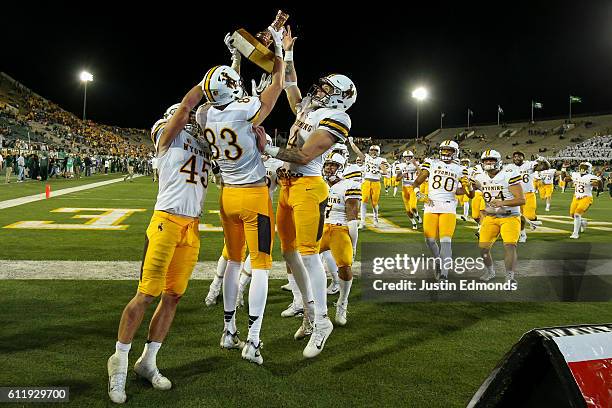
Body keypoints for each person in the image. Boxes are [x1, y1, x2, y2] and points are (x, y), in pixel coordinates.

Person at [106, 84, 210, 404]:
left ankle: (147, 361)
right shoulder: (166, 138)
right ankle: (119, 361)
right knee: (146, 294)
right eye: (186, 116)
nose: (190, 120)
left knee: (173, 296)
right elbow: (182, 112)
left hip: (192, 226)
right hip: (166, 221)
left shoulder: (204, 145)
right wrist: (204, 87)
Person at [263, 25, 357, 358]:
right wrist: (287, 51)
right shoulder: (309, 108)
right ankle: (306, 308)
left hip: (307, 187)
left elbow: (304, 155)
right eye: (320, 85)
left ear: (341, 97)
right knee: (289, 254)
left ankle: (322, 321)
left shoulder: (337, 117)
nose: (318, 90)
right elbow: (290, 85)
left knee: (308, 254)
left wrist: (268, 149)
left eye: (325, 88)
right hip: (288, 188)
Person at [196, 24, 285, 365]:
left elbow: (224, 93)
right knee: (260, 267)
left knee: (233, 262)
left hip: (226, 198)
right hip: (253, 196)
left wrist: (236, 57)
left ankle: (228, 330)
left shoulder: (204, 112)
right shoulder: (244, 109)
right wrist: (278, 51)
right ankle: (253, 339)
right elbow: (276, 86)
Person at [412, 140, 473, 280]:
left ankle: (444, 274)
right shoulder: (431, 163)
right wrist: (418, 194)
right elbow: (416, 183)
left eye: (449, 150)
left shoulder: (461, 169)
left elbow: (463, 192)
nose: (446, 152)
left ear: (455, 152)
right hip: (431, 205)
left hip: (448, 206)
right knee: (430, 241)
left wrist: (467, 187)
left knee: (446, 241)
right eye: (444, 149)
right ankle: (438, 260)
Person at [319, 153, 360, 325]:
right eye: (327, 164)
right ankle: (303, 303)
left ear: (341, 168)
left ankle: (343, 302)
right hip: (320, 227)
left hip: (339, 227)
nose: (329, 168)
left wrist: (354, 243)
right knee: (301, 259)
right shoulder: (318, 184)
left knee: (344, 265)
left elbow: (351, 217)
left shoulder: (349, 185)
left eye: (333, 165)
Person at [474, 150, 525, 284]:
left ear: (498, 161)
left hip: (510, 216)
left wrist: (502, 202)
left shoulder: (508, 174)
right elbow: (472, 191)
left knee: (509, 245)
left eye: (491, 160)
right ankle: (490, 271)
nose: (488, 163)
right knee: (483, 248)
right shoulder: (479, 177)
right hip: (491, 217)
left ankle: (509, 276)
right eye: (486, 160)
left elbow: (521, 199)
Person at [505, 151, 550, 242]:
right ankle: (522, 235)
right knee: (517, 217)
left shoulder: (529, 164)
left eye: (519, 156)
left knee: (529, 216)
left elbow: (545, 167)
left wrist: (544, 161)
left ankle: (532, 221)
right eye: (515, 157)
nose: (516, 158)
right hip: (515, 195)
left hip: (528, 194)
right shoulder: (509, 167)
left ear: (523, 157)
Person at [561, 162, 602, 239]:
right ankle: (583, 221)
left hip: (586, 197)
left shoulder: (590, 177)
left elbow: (599, 185)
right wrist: (563, 168)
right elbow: (564, 179)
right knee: (572, 215)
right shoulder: (575, 175)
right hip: (576, 197)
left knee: (577, 214)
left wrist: (599, 182)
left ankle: (575, 233)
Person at [360, 145, 388, 227]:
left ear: (378, 152)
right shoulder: (366, 157)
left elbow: (385, 172)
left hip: (376, 183)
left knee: (374, 203)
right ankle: (362, 222)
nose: (373, 152)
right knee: (363, 201)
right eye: (372, 150)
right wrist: (352, 143)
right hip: (366, 181)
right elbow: (357, 152)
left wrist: (378, 170)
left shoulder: (381, 160)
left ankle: (375, 219)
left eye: (375, 150)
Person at [395, 150, 421, 230]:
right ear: (404, 158)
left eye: (409, 157)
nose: (408, 158)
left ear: (412, 157)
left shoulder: (416, 164)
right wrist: (401, 176)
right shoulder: (400, 165)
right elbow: (397, 179)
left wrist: (415, 164)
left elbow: (421, 173)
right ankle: (413, 223)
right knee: (408, 210)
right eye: (406, 157)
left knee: (413, 206)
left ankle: (416, 214)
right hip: (405, 188)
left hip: (413, 187)